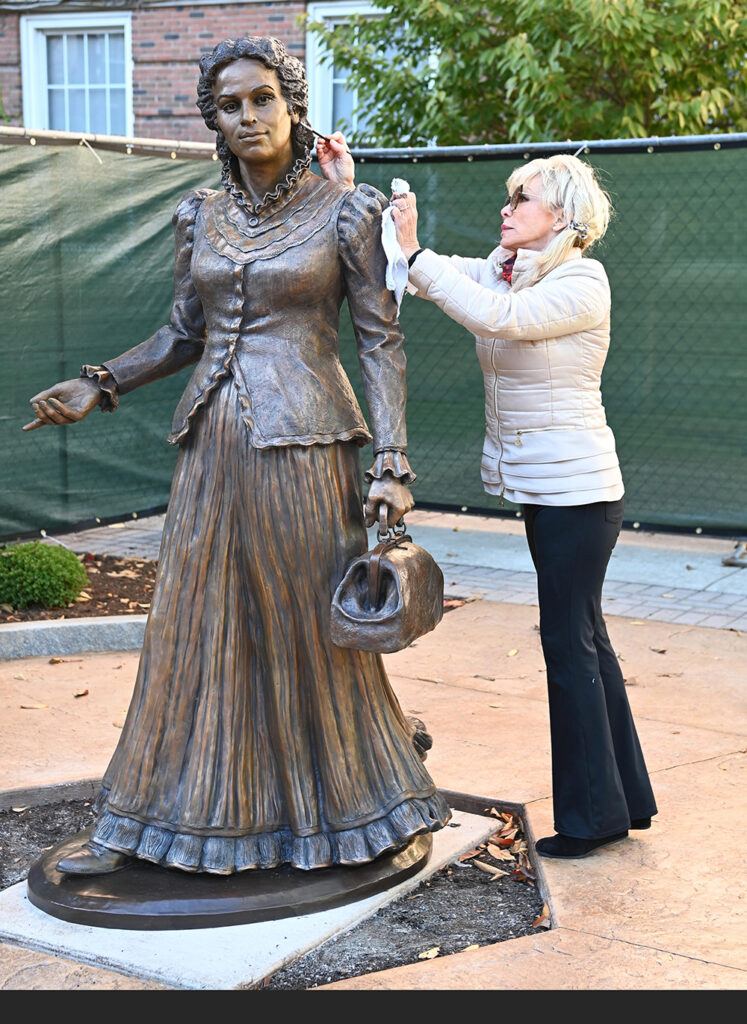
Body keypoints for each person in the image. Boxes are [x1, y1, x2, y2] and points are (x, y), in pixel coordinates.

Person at [23, 36, 451, 876]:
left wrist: (392, 464)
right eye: (230, 106)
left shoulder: (346, 210)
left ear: (291, 105)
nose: (248, 117)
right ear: (212, 120)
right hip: (210, 443)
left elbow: (380, 343)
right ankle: (155, 818)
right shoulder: (199, 214)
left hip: (306, 446)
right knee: (190, 625)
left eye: (263, 99)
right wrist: (101, 383)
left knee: (306, 627)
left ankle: (357, 810)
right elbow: (186, 331)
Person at [375, 152, 657, 859]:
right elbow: (441, 277)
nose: (505, 209)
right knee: (584, 640)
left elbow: (498, 320)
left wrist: (414, 252)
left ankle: (592, 820)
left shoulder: (579, 280)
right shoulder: (514, 267)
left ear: (560, 215)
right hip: (553, 493)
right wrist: (359, 200)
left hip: (579, 495)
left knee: (569, 645)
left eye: (520, 198)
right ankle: (622, 801)